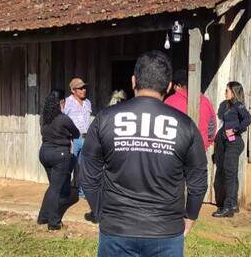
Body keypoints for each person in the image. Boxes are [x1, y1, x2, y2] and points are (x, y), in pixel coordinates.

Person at [80, 50, 208, 257]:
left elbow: (87, 173)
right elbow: (198, 180)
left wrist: (101, 212)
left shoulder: (105, 118)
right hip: (166, 231)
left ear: (133, 81)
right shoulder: (186, 125)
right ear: (168, 87)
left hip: (117, 229)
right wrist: (190, 218)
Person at [37, 89, 80, 230]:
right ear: (62, 102)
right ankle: (54, 223)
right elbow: (76, 132)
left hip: (44, 153)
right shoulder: (63, 118)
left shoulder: (43, 118)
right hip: (59, 155)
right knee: (55, 189)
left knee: (52, 187)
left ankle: (42, 217)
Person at [212, 81, 251, 218]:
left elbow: (248, 119)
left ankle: (228, 207)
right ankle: (233, 204)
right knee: (231, 173)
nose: (225, 93)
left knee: (229, 174)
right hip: (227, 144)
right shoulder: (228, 105)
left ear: (233, 92)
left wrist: (235, 130)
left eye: (227, 91)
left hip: (234, 143)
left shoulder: (238, 105)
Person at [63, 77, 94, 222]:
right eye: (80, 88)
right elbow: (62, 122)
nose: (83, 90)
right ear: (73, 90)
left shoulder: (87, 102)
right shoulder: (66, 103)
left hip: (85, 138)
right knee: (69, 165)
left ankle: (81, 192)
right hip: (73, 140)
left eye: (84, 87)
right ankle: (66, 191)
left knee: (82, 166)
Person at [164, 69, 217, 150]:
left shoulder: (169, 102)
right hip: (199, 151)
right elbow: (212, 129)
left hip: (175, 151)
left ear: (177, 86)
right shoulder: (205, 101)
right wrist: (205, 145)